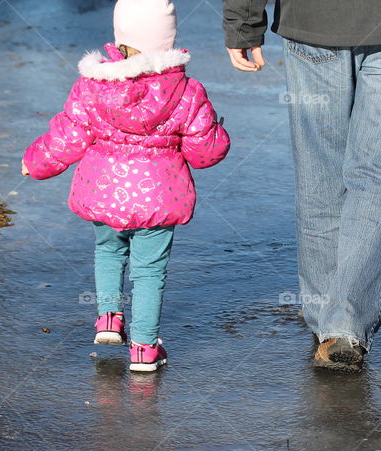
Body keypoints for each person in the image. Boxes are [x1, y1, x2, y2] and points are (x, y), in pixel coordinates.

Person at [223, 0, 381, 372]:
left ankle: (328, 320)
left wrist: (243, 22)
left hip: (314, 21)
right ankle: (343, 324)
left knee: (320, 171)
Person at [23, 0, 230, 372]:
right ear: (168, 42)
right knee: (149, 271)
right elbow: (205, 152)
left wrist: (34, 162)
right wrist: (216, 129)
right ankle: (144, 349)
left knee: (108, 250)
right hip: (160, 195)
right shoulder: (186, 90)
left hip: (103, 190)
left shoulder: (92, 85)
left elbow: (67, 136)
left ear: (120, 39)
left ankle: (107, 318)